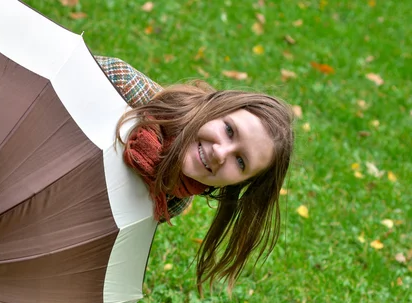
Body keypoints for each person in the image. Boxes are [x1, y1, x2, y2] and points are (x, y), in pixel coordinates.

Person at [95, 55, 294, 290]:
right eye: (229, 130)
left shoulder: (173, 200)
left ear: (240, 183)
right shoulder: (122, 87)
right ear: (215, 109)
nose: (220, 153)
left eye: (240, 161)